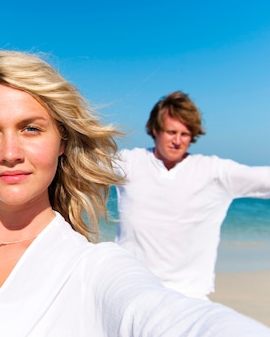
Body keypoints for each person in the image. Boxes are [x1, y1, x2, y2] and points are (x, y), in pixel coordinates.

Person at [0, 50, 270, 337]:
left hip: (166, 299)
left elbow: (176, 325)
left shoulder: (90, 267)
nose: (10, 153)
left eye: (31, 128)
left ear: (61, 141)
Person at [113, 91, 270, 300]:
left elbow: (262, 178)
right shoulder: (129, 163)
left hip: (189, 295)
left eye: (185, 134)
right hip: (132, 288)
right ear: (155, 129)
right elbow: (79, 166)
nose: (177, 141)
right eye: (171, 132)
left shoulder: (212, 172)